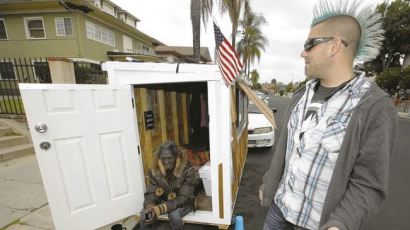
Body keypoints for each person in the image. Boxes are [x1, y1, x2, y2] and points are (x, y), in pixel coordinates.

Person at [259, 0, 398, 230]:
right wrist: (268, 182)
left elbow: (368, 183)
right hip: (278, 212)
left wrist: (341, 223)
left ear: (334, 46)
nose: (303, 52)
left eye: (309, 44)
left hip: (316, 225)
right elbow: (287, 152)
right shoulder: (300, 95)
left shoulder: (374, 107)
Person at [134, 141, 199, 230]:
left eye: (170, 158)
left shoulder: (188, 171)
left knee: (174, 214)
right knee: (145, 214)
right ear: (159, 159)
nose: (166, 162)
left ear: (177, 158)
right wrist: (150, 206)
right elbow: (151, 193)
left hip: (184, 203)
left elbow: (184, 198)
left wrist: (161, 208)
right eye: (163, 159)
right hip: (164, 201)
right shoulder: (155, 171)